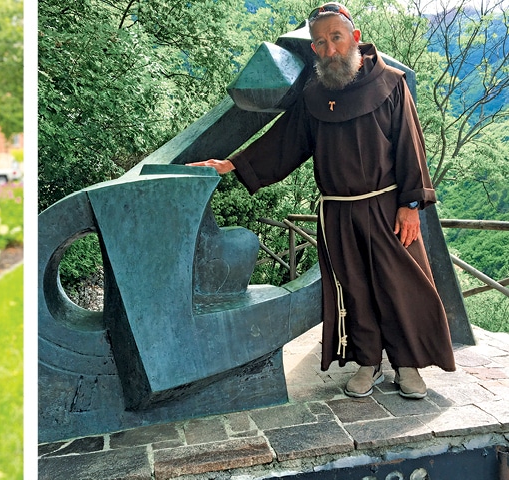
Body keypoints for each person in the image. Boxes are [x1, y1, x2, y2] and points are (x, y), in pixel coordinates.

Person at [190, 3, 455, 399]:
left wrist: (412, 205)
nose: (330, 48)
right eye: (321, 42)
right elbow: (284, 143)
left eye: (336, 37)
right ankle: (368, 362)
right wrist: (233, 163)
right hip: (338, 211)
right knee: (355, 289)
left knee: (401, 285)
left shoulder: (390, 84)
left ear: (355, 38)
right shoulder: (314, 95)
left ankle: (407, 365)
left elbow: (409, 147)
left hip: (387, 208)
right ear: (313, 49)